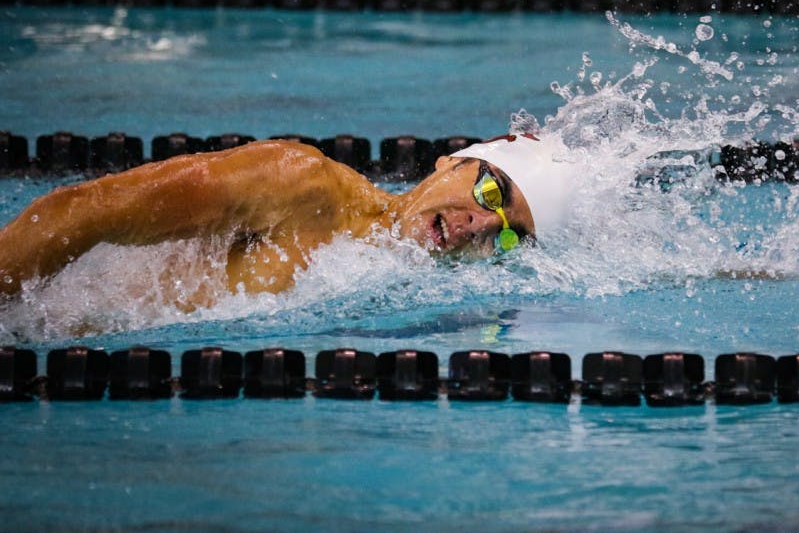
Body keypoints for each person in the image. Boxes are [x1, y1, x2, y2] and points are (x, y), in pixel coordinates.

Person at [0, 134, 574, 311]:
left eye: (506, 232)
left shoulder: (410, 291)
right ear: (449, 160)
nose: (479, 223)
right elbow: (76, 214)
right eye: (490, 189)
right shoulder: (299, 185)